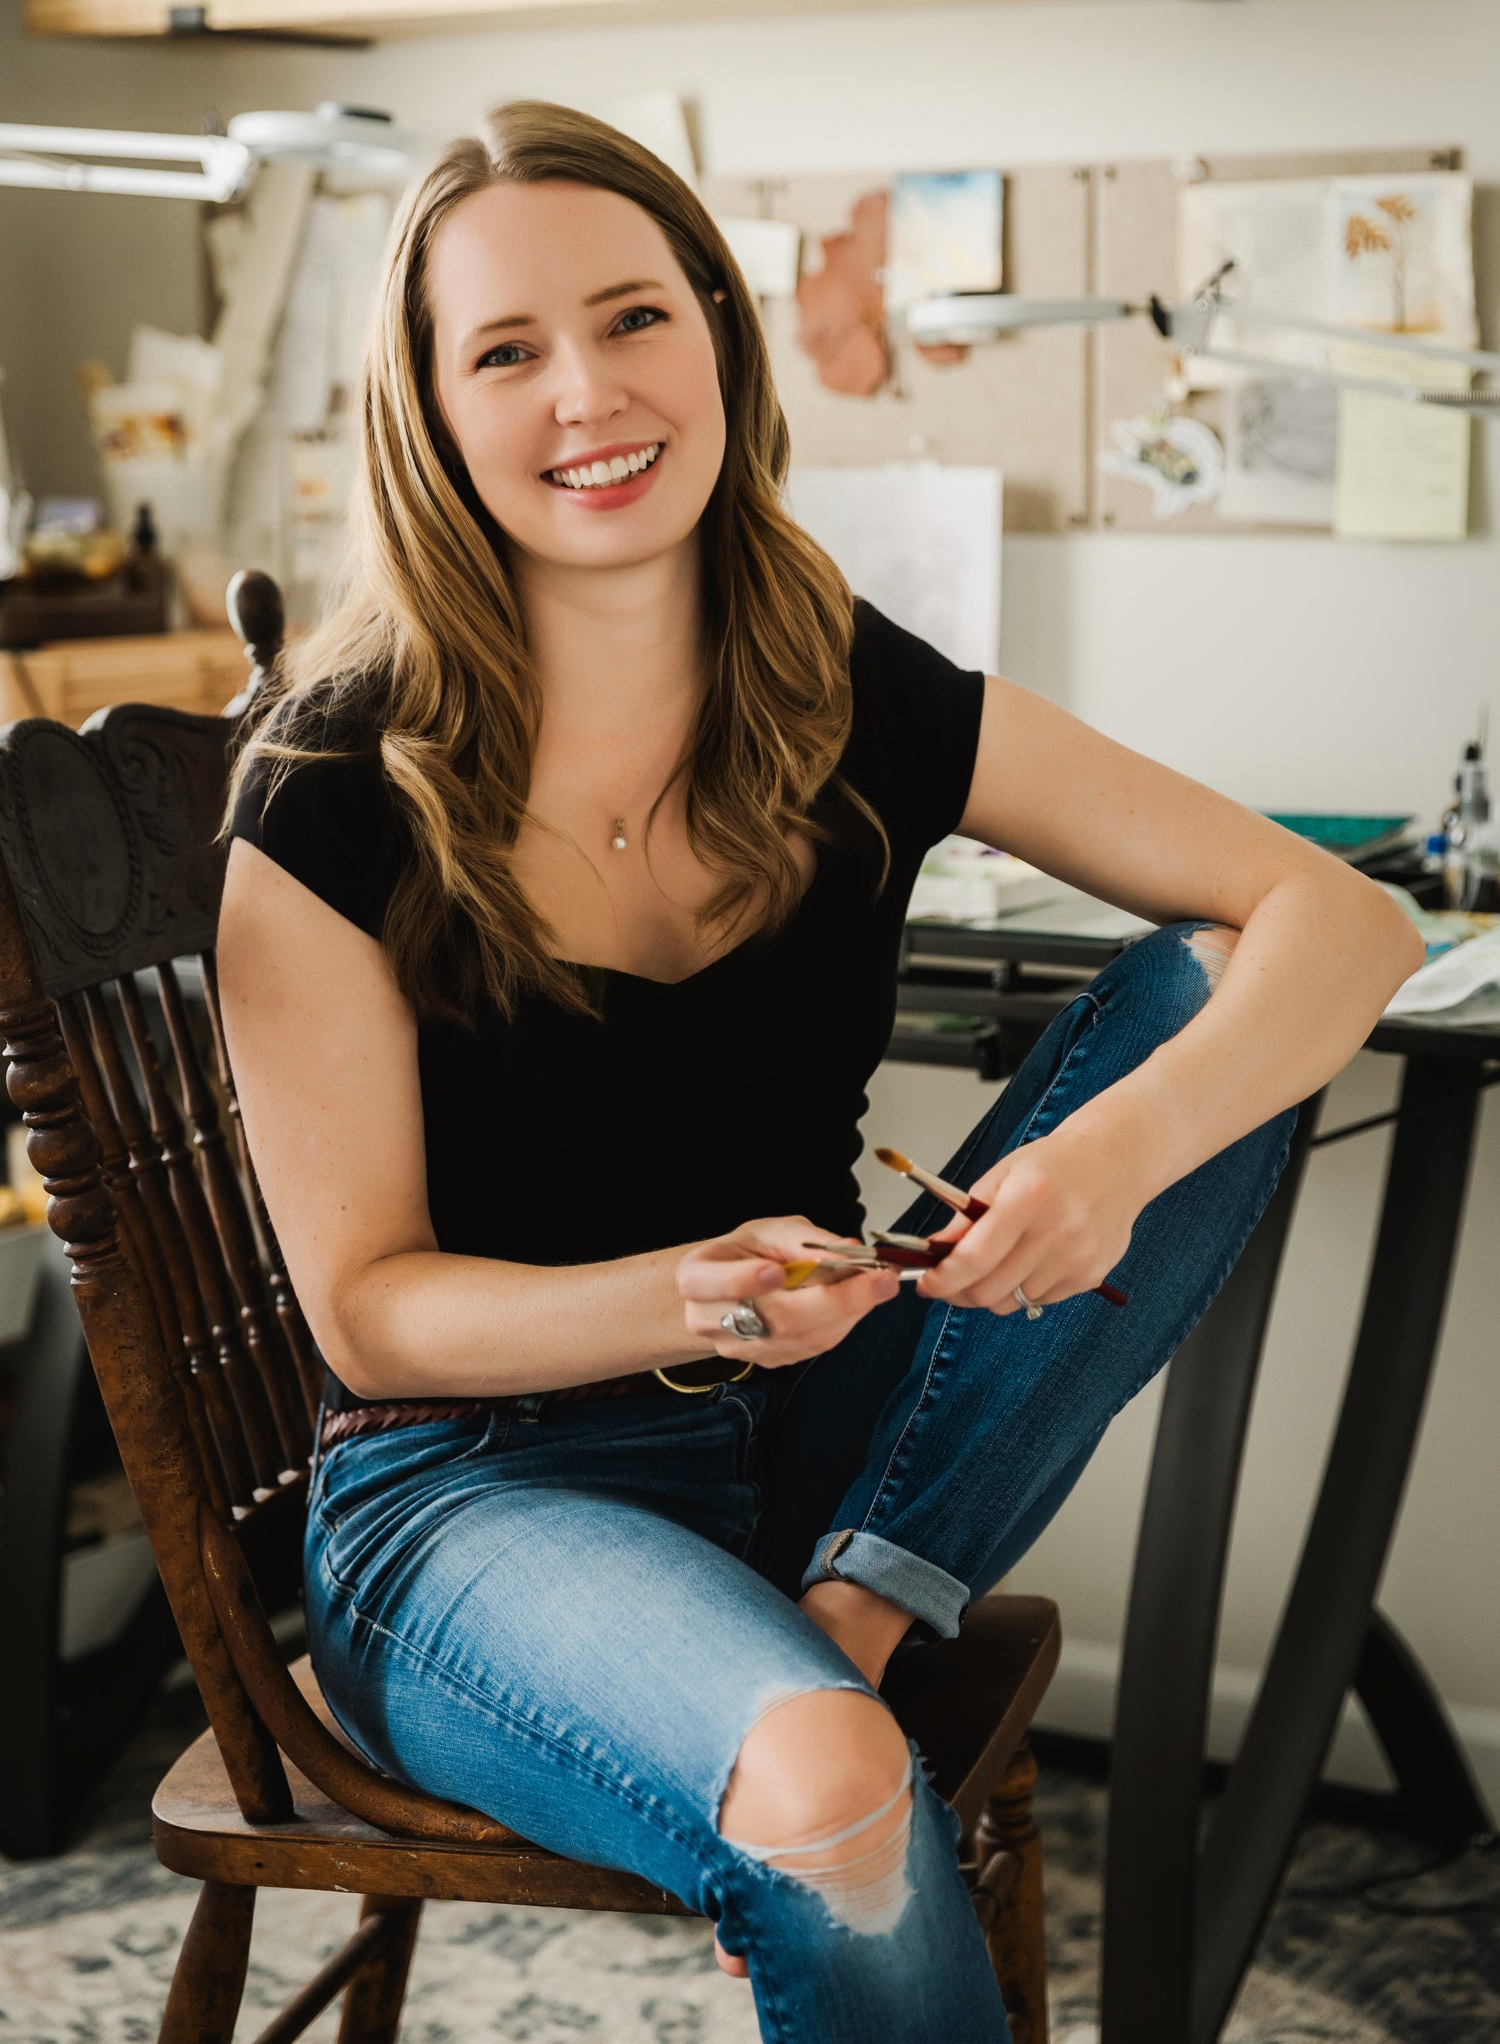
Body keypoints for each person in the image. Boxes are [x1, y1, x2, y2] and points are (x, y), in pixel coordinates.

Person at [217, 100, 1423, 2044]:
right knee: (844, 1804)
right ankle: (826, 1683)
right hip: (475, 1507)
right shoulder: (332, 794)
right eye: (507, 351)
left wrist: (1106, 1159)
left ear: (717, 328)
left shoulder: (841, 685)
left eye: (632, 318)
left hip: (808, 1445)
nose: (589, 392)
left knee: (1214, 996)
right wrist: (673, 1296)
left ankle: (850, 1609)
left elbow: (1344, 926)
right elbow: (369, 1314)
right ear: (428, 413)